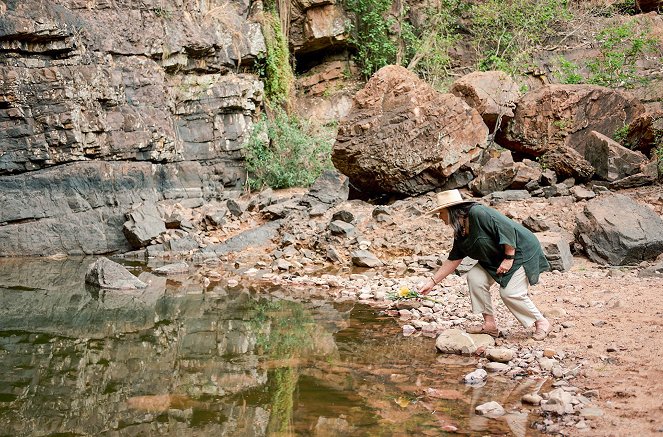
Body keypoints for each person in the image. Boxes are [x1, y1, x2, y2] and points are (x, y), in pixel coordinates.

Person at [418, 189, 552, 340]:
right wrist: (432, 282)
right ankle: (490, 325)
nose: (440, 218)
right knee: (475, 278)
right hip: (495, 258)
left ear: (450, 211)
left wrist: (509, 258)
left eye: (440, 213)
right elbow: (454, 259)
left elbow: (507, 229)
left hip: (519, 251)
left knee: (510, 293)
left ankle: (541, 322)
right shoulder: (460, 231)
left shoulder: (478, 213)